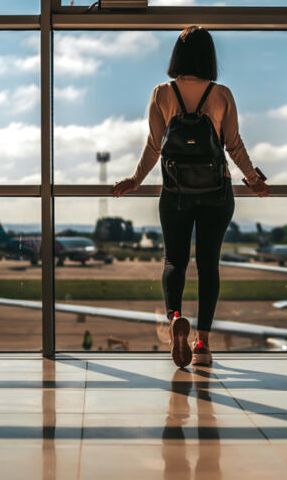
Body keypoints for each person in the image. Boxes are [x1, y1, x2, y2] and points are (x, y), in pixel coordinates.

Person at [113, 26, 269, 368]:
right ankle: (202, 345)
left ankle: (174, 321)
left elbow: (155, 146)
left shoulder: (161, 93)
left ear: (177, 56)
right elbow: (233, 145)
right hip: (216, 191)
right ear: (210, 56)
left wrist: (136, 180)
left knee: (174, 262)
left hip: (175, 193)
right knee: (209, 265)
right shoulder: (222, 94)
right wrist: (254, 179)